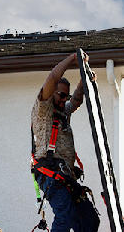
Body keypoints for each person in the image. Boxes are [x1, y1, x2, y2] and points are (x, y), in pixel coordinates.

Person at [32, 52, 99, 232]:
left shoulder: (63, 112)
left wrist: (83, 81)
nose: (64, 100)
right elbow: (53, 77)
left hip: (66, 177)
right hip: (50, 175)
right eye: (61, 95)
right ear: (52, 92)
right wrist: (72, 59)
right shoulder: (43, 109)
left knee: (89, 220)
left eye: (66, 97)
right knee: (65, 216)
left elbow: (76, 101)